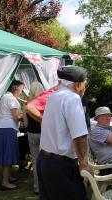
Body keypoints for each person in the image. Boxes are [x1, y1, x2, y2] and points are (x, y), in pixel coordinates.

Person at [37, 66, 93, 200]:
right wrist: (84, 166)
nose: (85, 87)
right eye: (85, 84)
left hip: (44, 161)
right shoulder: (72, 98)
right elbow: (80, 137)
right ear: (78, 84)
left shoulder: (53, 96)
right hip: (61, 166)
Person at [0, 80, 24, 190]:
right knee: (7, 155)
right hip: (7, 129)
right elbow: (16, 117)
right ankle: (5, 182)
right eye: (21, 89)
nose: (21, 92)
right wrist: (26, 116)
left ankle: (8, 177)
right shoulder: (11, 99)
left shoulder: (3, 96)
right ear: (16, 89)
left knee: (4, 153)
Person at [23, 81, 44, 194]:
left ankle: (37, 187)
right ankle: (45, 185)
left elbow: (25, 125)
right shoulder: (44, 102)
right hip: (43, 134)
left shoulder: (28, 104)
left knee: (35, 161)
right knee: (45, 160)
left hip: (31, 134)